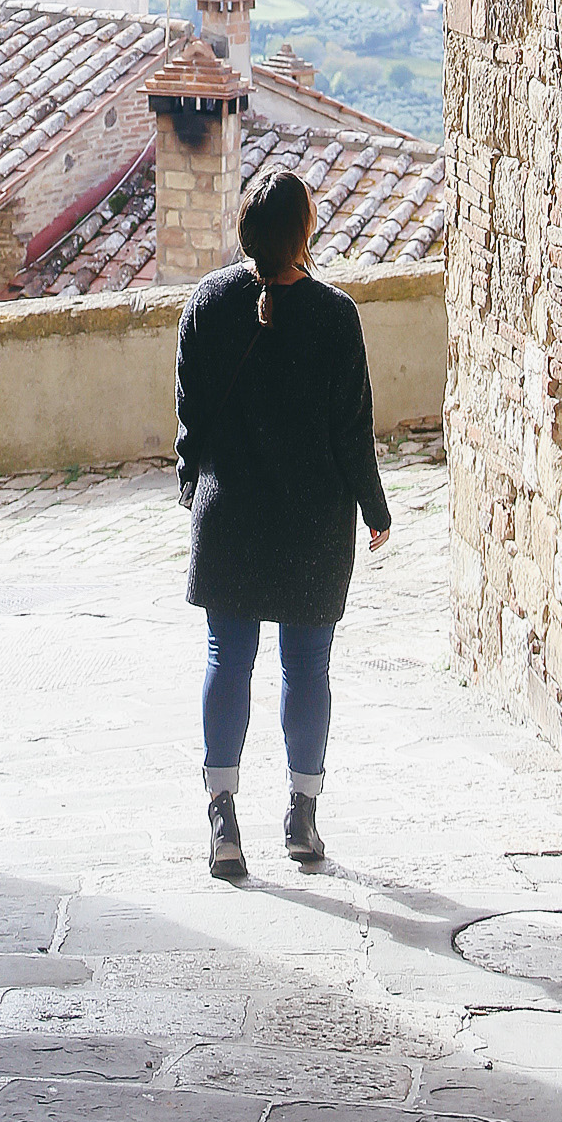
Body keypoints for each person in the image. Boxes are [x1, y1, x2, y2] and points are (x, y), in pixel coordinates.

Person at [175, 165, 392, 881]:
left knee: (226, 663)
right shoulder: (335, 316)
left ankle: (222, 820)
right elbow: (350, 432)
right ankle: (302, 816)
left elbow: (191, 416)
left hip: (230, 517)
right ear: (306, 233)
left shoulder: (208, 302)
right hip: (311, 527)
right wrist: (376, 508)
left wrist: (192, 487)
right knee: (307, 670)